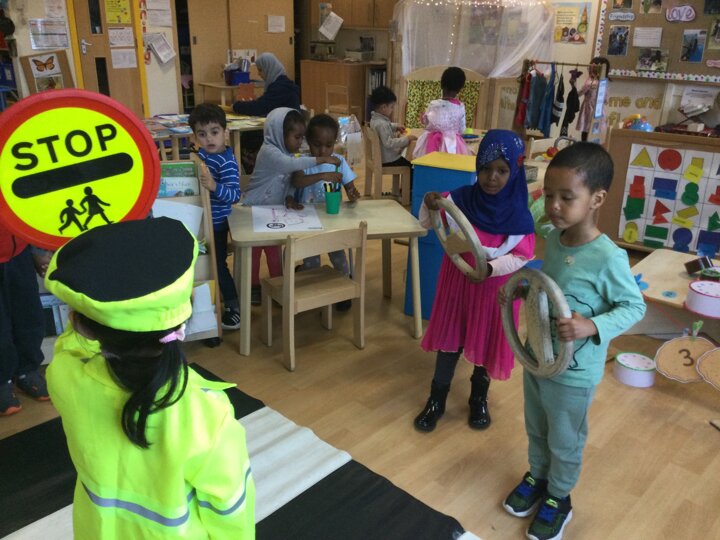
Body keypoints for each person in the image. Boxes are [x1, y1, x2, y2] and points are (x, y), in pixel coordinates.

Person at [45, 218, 255, 539]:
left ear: (80, 325)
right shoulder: (207, 413)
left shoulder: (64, 375)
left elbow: (70, 343)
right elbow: (230, 510)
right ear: (187, 308)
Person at [500, 143, 645, 540]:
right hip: (539, 357)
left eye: (567, 197)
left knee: (565, 439)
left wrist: (592, 326)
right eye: (550, 195)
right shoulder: (554, 236)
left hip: (574, 374)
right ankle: (538, 476)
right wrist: (523, 291)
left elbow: (634, 307)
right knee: (536, 426)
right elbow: (550, 287)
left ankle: (559, 496)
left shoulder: (609, 257)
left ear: (596, 199)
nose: (554, 206)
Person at [413, 130, 536, 433]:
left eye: (502, 170)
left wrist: (490, 269)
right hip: (457, 283)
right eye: (486, 168)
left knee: (487, 340)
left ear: (514, 171)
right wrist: (429, 203)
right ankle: (437, 398)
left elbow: (521, 256)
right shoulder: (461, 198)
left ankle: (478, 398)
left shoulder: (519, 214)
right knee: (449, 339)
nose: (492, 177)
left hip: (494, 290)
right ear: (477, 166)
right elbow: (427, 223)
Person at [243, 107, 340, 304]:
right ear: (279, 134)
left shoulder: (286, 153)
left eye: (302, 137)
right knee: (253, 254)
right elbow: (288, 166)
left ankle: (280, 286)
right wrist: (322, 159)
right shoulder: (269, 151)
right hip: (254, 211)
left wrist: (288, 197)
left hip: (273, 213)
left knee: (274, 252)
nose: (300, 142)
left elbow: (287, 181)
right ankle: (253, 287)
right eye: (297, 137)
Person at [291, 113, 361, 311]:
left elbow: (350, 187)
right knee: (312, 259)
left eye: (328, 145)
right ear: (308, 141)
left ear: (335, 143)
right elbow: (297, 181)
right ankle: (308, 277)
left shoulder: (338, 161)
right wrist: (322, 174)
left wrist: (353, 194)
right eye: (317, 144)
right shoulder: (303, 161)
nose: (323, 150)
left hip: (333, 220)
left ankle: (344, 286)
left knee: (338, 255)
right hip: (308, 221)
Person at [189, 103, 242, 331]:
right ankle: (208, 302)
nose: (209, 139)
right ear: (195, 137)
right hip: (202, 221)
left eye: (214, 132)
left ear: (225, 133)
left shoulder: (226, 162)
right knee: (203, 264)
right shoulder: (202, 155)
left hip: (218, 224)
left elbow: (234, 195)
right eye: (202, 134)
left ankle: (234, 307)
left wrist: (213, 186)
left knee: (218, 265)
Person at [0, 223, 50, 416]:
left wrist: (38, 250)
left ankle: (26, 370)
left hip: (18, 252)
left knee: (29, 315)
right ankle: (2, 380)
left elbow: (29, 210)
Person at [232, 52, 301, 174]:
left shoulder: (281, 87)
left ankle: (254, 173)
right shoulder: (280, 83)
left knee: (248, 138)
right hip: (285, 126)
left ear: (269, 68)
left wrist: (236, 106)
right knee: (249, 136)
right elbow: (264, 104)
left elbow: (259, 107)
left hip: (286, 130)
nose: (259, 74)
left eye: (260, 70)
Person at [412, 67, 471, 159]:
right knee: (452, 164)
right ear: (459, 89)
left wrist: (424, 119)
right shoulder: (460, 107)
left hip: (432, 142)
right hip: (453, 145)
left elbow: (429, 125)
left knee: (429, 163)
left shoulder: (433, 104)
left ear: (442, 85)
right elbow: (462, 129)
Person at [369, 86, 416, 188]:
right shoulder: (382, 124)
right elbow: (389, 143)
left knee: (405, 159)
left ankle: (398, 190)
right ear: (384, 107)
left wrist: (396, 126)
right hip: (387, 159)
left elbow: (387, 126)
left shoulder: (375, 119)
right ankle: (407, 192)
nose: (392, 109)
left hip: (379, 157)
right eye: (391, 107)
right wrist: (406, 139)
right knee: (410, 165)